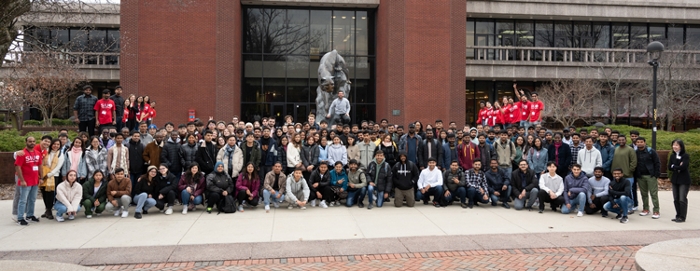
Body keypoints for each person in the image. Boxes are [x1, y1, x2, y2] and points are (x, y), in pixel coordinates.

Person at [15, 136, 44, 225]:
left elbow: (40, 166)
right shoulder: (22, 153)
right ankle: (20, 218)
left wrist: (41, 177)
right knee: (23, 200)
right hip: (25, 181)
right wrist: (22, 180)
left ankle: (30, 215)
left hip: (35, 180)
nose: (32, 143)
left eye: (33, 141)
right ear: (26, 142)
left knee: (32, 199)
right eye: (30, 141)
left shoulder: (38, 153)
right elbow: (17, 166)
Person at [634, 137, 661, 219]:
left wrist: (656, 174)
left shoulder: (651, 151)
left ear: (645, 142)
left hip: (650, 175)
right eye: (638, 142)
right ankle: (646, 209)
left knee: (653, 194)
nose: (639, 143)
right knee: (644, 194)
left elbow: (657, 162)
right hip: (640, 176)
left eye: (641, 142)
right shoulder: (635, 152)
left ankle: (656, 210)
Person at [610, 134, 637, 212]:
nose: (621, 141)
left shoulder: (630, 149)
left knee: (628, 192)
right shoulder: (616, 149)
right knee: (618, 192)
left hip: (627, 175)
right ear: (617, 140)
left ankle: (630, 207)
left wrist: (628, 171)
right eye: (620, 140)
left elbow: (633, 162)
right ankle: (622, 206)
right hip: (616, 175)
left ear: (626, 140)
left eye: (623, 140)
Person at [39, 139, 64, 220]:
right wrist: (43, 174)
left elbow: (58, 167)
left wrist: (49, 174)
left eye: (58, 144)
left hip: (54, 176)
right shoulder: (46, 152)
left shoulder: (60, 154)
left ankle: (49, 210)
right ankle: (47, 209)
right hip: (43, 175)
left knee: (50, 194)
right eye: (54, 144)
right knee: (44, 193)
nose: (56, 146)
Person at [669, 139, 689, 223]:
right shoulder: (672, 156)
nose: (675, 147)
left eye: (677, 145)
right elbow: (669, 167)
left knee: (682, 199)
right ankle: (678, 215)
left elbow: (683, 167)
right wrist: (677, 166)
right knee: (676, 199)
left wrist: (675, 166)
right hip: (675, 179)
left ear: (681, 146)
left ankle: (682, 216)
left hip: (684, 180)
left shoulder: (685, 155)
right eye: (673, 145)